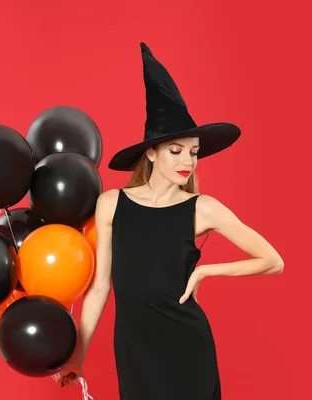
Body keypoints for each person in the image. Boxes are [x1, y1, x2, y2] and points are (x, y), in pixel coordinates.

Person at [55, 43, 284, 399]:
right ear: (151, 152)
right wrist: (79, 355)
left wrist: (207, 271)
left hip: (187, 347)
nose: (188, 162)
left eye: (193, 153)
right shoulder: (111, 204)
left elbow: (273, 261)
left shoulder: (202, 208)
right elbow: (100, 287)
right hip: (134, 350)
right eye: (176, 151)